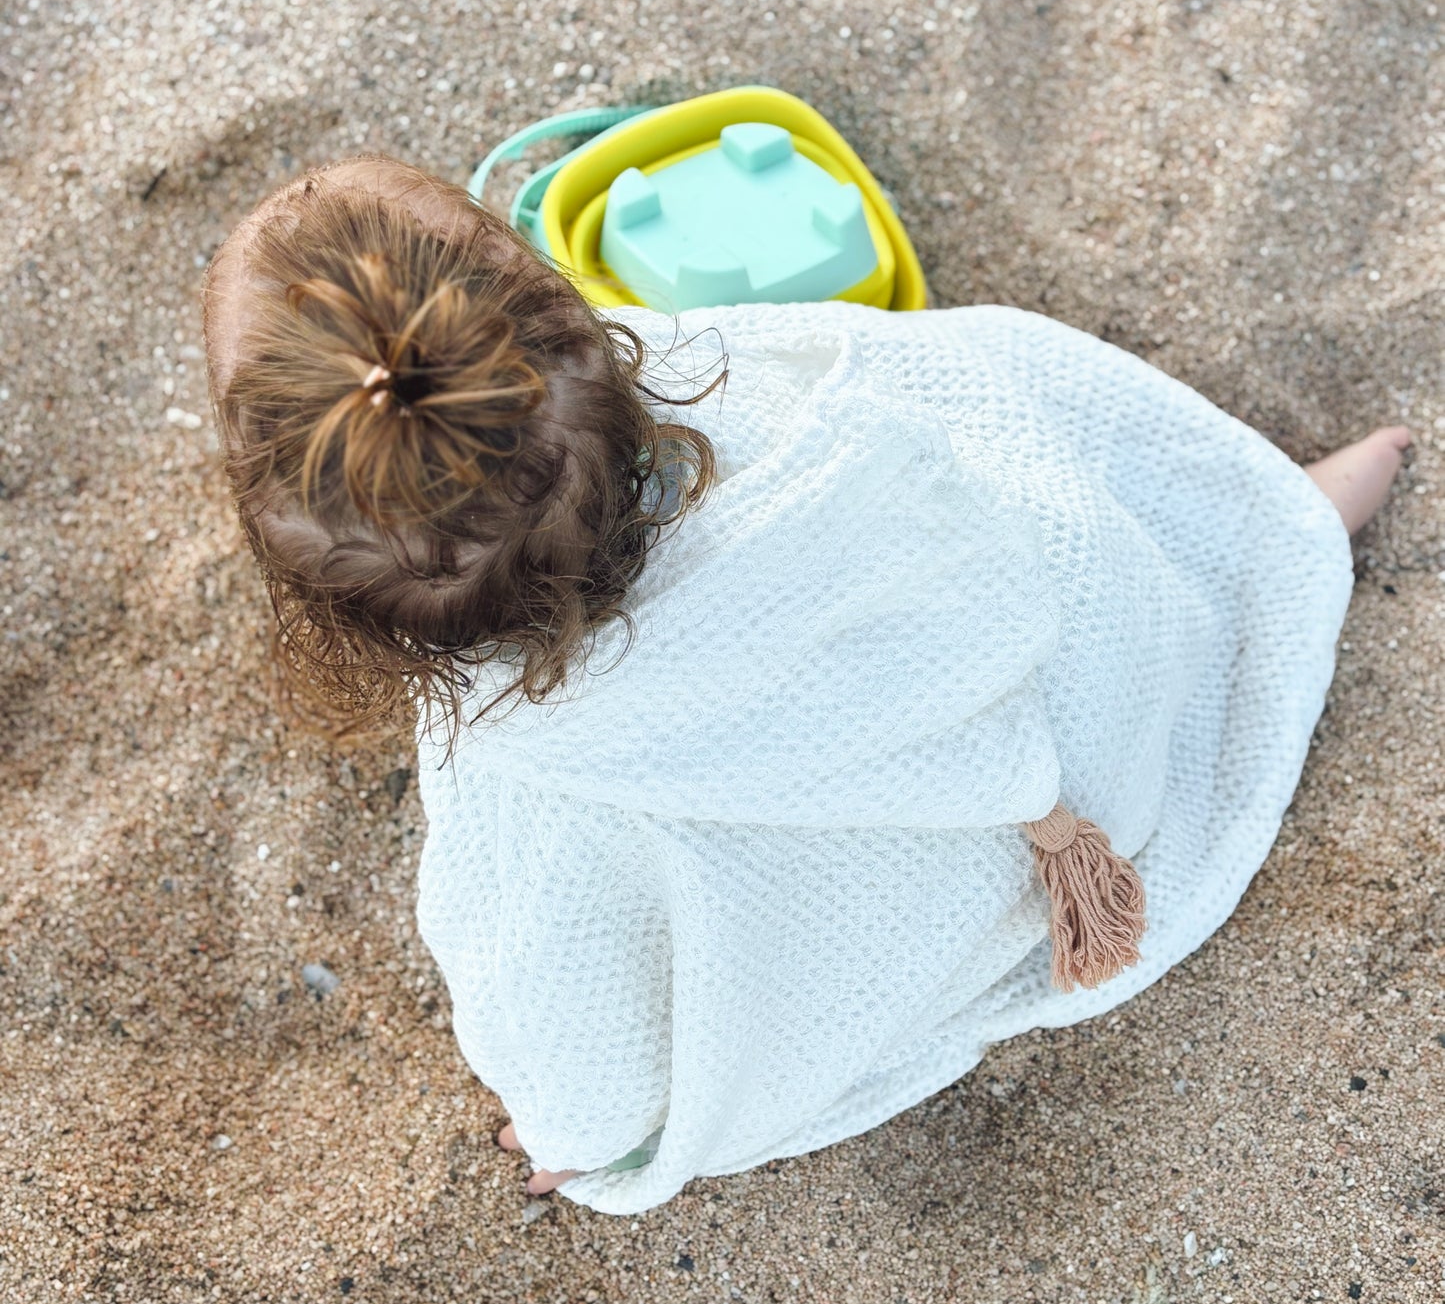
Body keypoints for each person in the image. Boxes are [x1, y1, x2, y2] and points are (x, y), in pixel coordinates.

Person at [204, 154, 1411, 1212]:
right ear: (587, 331)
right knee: (1122, 523)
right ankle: (1283, 530)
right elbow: (992, 419)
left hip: (886, 934)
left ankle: (1287, 539)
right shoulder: (774, 385)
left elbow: (564, 1010)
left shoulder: (529, 792)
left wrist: (574, 1131)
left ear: (342, 613)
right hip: (1091, 734)